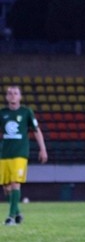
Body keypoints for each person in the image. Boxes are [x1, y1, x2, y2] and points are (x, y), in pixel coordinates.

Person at [1, 86, 47, 226]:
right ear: (6, 97)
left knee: (15, 182)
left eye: (15, 93)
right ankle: (18, 213)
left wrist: (43, 149)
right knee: (6, 187)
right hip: (5, 154)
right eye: (10, 93)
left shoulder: (26, 112)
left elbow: (36, 130)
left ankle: (10, 217)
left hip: (20, 153)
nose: (12, 95)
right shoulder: (2, 113)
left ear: (20, 97)